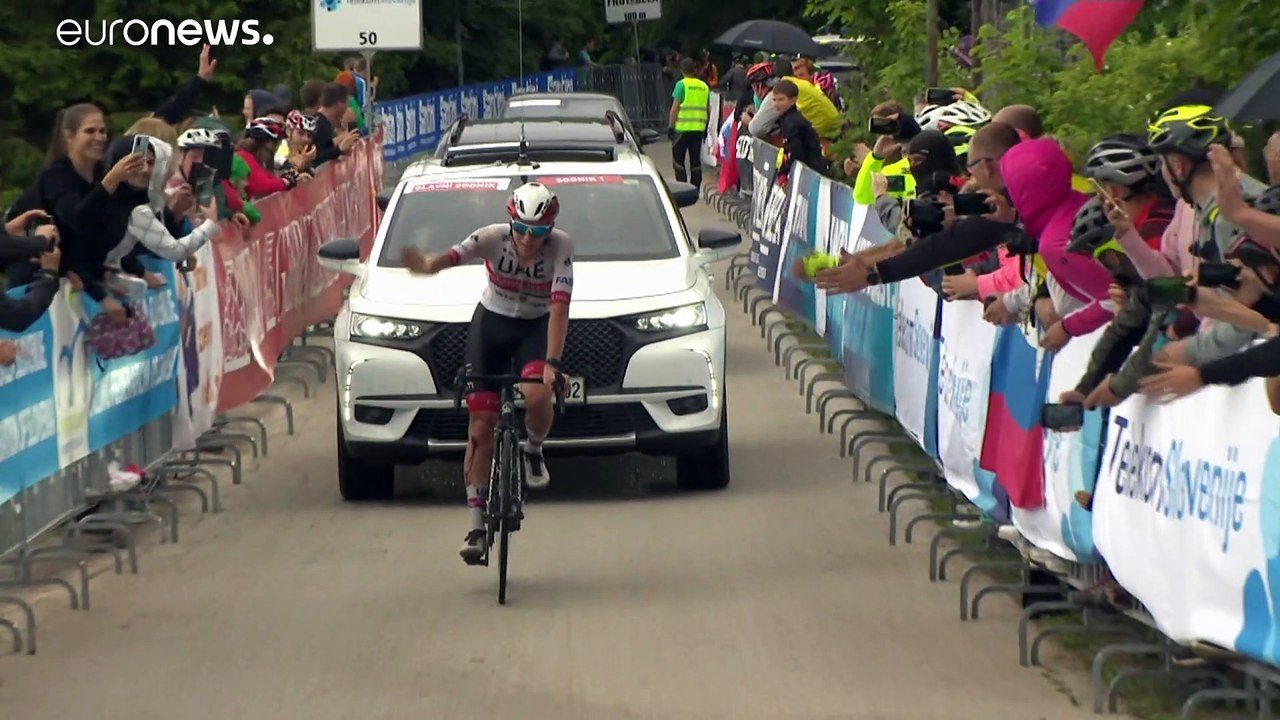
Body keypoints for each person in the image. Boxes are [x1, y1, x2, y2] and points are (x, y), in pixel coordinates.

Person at [399, 182, 573, 564]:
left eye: (538, 231)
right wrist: (428, 266)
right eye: (522, 229)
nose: (529, 239)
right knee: (480, 427)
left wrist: (553, 363)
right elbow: (453, 255)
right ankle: (477, 526)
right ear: (511, 222)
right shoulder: (493, 237)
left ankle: (533, 450)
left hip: (535, 328)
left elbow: (559, 309)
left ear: (550, 227)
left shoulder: (561, 246)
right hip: (490, 326)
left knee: (539, 393)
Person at [771, 79, 829, 176]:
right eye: (774, 99)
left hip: (812, 172)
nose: (776, 104)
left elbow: (796, 153)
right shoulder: (786, 119)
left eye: (781, 99)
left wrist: (784, 172)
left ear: (793, 100)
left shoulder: (792, 123)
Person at [668, 57, 710, 188]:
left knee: (678, 160)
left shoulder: (681, 85)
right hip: (698, 129)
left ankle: (682, 187)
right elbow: (708, 108)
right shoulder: (703, 86)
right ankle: (695, 187)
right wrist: (706, 126)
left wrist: (671, 126)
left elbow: (675, 108)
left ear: (682, 70)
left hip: (682, 129)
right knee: (695, 160)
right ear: (695, 70)